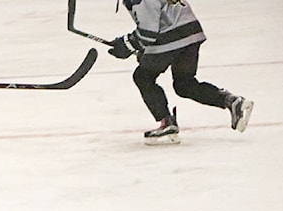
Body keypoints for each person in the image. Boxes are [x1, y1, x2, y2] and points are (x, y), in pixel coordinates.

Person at [107, 0, 252, 145]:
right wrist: (141, 48)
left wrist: (127, 44)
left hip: (172, 36)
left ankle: (166, 121)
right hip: (190, 32)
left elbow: (148, 33)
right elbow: (156, 21)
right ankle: (231, 101)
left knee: (143, 77)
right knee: (185, 84)